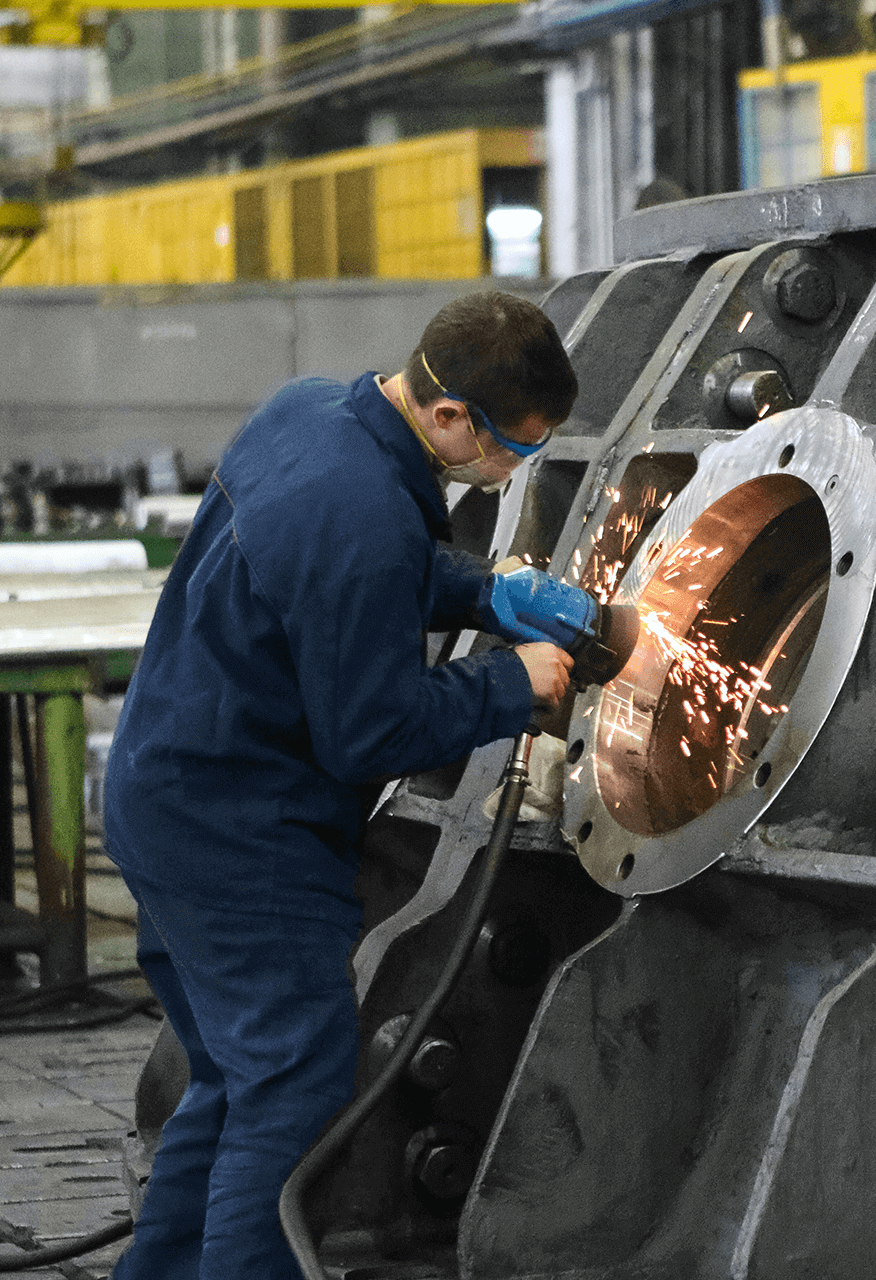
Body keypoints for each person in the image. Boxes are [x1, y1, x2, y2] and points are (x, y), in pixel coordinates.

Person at [103, 290, 578, 1280]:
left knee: (232, 1077)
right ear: (453, 417)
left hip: (166, 788)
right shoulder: (358, 510)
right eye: (510, 448)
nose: (510, 467)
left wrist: (488, 589)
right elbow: (371, 728)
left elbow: (352, 570)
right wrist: (509, 681)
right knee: (292, 1088)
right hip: (237, 833)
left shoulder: (309, 412)